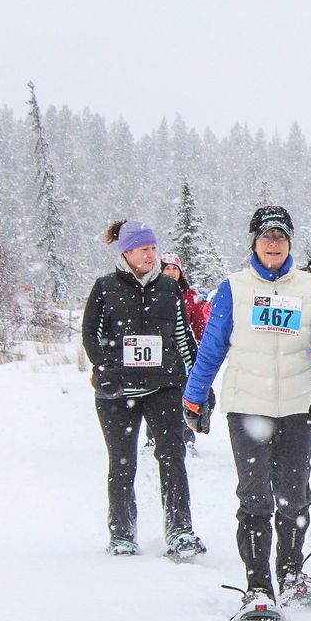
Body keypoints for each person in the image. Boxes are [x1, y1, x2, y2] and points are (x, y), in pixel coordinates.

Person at [182, 205, 311, 621]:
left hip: (295, 407)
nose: (273, 244)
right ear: (253, 242)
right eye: (266, 236)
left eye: (281, 236)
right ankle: (258, 587)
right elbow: (212, 348)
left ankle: (290, 574)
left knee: (294, 495)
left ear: (291, 242)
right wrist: (194, 397)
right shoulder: (233, 288)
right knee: (255, 497)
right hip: (247, 406)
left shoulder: (309, 287)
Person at [82, 221, 204, 559]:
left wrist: (199, 386)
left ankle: (180, 530)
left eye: (153, 249)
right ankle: (122, 533)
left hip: (163, 385)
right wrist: (104, 367)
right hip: (117, 391)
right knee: (121, 462)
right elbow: (90, 333)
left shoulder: (168, 288)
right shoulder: (105, 287)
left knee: (172, 457)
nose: (151, 255)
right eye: (144, 249)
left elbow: (184, 339)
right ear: (126, 252)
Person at [161, 252, 212, 452]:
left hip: (184, 353)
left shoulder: (190, 295)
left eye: (175, 269)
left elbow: (199, 324)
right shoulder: (153, 291)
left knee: (185, 392)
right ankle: (154, 435)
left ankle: (187, 434)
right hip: (162, 352)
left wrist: (197, 346)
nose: (171, 272)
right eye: (167, 268)